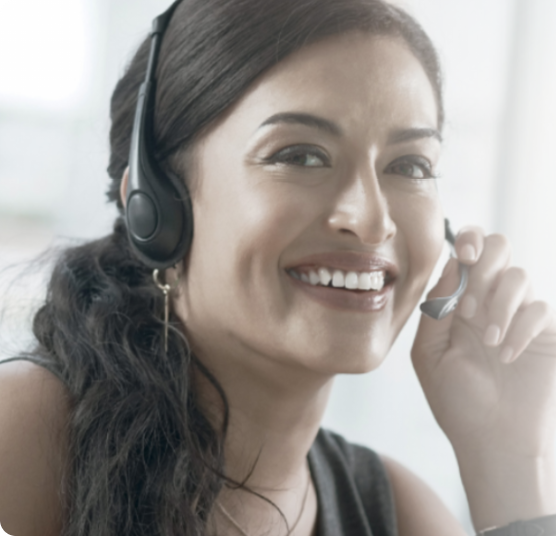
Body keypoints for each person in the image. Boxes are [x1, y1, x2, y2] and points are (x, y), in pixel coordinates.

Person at [0, 0, 555, 535]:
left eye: (409, 165)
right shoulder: (27, 435)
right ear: (156, 206)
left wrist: (503, 461)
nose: (369, 220)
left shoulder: (400, 513)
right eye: (299, 156)